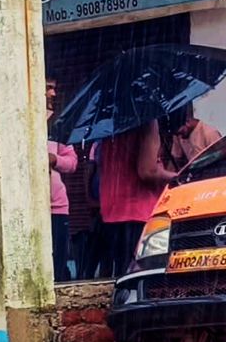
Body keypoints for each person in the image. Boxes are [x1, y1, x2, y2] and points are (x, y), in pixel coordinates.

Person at [97, 117, 179, 276]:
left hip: (110, 212)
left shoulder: (107, 124)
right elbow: (147, 171)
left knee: (117, 278)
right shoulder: (147, 120)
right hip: (138, 212)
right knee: (142, 278)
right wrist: (176, 177)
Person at [46, 78, 79, 281]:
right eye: (48, 88)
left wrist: (55, 159)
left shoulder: (58, 124)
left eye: (54, 89)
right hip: (31, 208)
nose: (53, 94)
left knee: (57, 264)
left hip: (56, 207)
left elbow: (73, 162)